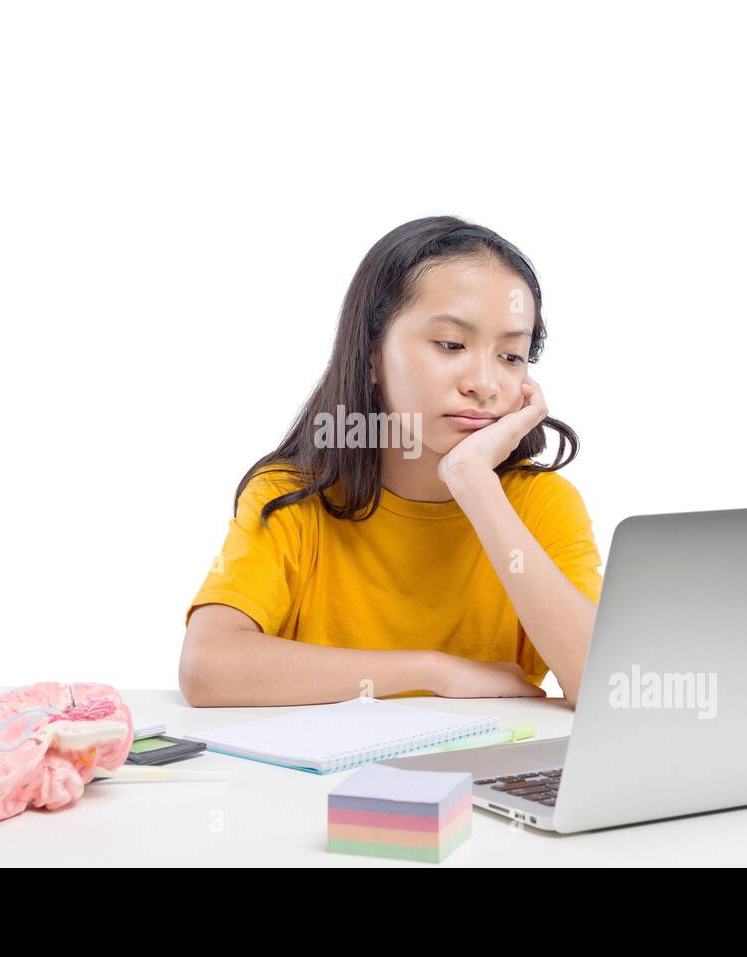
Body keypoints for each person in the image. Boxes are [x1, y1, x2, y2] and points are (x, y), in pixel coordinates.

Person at [180, 215, 603, 708]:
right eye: (451, 345)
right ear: (372, 355)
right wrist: (432, 671)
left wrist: (472, 482)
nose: (484, 383)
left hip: (478, 779)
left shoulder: (540, 505)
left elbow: (603, 685)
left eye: (511, 356)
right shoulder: (291, 497)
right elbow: (208, 667)